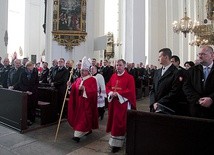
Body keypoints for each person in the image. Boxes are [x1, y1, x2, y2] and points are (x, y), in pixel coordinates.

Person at [106, 59, 136, 153]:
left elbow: (130, 91)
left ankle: (118, 143)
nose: (118, 67)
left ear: (124, 66)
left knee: (120, 122)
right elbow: (107, 86)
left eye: (120, 65)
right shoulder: (113, 76)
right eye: (116, 65)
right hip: (113, 104)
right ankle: (115, 142)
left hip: (123, 104)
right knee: (114, 121)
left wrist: (118, 94)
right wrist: (111, 92)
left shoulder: (129, 77)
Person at [67, 56, 98, 142]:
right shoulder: (78, 79)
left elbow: (93, 92)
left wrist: (84, 89)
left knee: (83, 118)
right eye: (81, 70)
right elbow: (74, 89)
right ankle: (87, 130)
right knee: (81, 118)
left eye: (83, 70)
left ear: (88, 71)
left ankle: (77, 135)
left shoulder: (92, 80)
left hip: (86, 104)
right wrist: (70, 85)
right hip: (78, 103)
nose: (81, 72)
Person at [183, 45, 214, 119]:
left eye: (203, 54)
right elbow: (186, 87)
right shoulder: (192, 70)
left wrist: (211, 99)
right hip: (196, 109)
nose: (200, 56)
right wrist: (198, 99)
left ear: (212, 55)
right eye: (199, 54)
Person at [150, 48, 183, 115]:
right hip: (155, 107)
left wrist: (159, 103)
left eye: (160, 56)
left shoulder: (176, 72)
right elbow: (153, 89)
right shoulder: (157, 72)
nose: (158, 59)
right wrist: (153, 102)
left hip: (167, 108)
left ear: (166, 57)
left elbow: (174, 92)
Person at [18, 61, 39, 125]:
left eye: (33, 65)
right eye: (31, 66)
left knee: (32, 107)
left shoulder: (35, 73)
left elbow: (36, 83)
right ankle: (26, 119)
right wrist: (26, 91)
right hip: (25, 93)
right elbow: (20, 83)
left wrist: (32, 91)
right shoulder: (23, 73)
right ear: (27, 66)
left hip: (33, 93)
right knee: (26, 107)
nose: (32, 67)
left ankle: (32, 119)